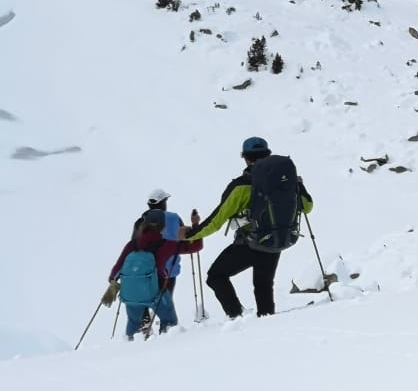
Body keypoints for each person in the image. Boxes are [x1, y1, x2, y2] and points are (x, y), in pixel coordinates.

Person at [182, 136, 313, 319]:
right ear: (268, 154)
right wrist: (299, 186)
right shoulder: (286, 181)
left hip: (250, 243)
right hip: (277, 240)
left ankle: (237, 317)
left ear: (245, 158)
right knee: (264, 285)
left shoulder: (241, 186)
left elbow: (216, 221)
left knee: (216, 276)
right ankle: (265, 320)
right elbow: (307, 207)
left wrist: (190, 235)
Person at [126, 189, 202, 329]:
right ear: (163, 203)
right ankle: (165, 335)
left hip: (142, 272)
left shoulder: (140, 222)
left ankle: (144, 329)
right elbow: (186, 241)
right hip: (168, 270)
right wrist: (195, 225)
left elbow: (133, 247)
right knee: (164, 305)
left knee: (142, 301)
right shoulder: (174, 218)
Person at [108, 209, 186, 339]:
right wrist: (191, 229)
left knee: (134, 324)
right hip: (157, 292)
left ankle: (129, 348)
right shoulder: (167, 244)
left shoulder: (132, 245)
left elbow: (116, 271)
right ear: (163, 225)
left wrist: (113, 287)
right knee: (169, 322)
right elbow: (196, 246)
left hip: (132, 294)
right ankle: (168, 347)